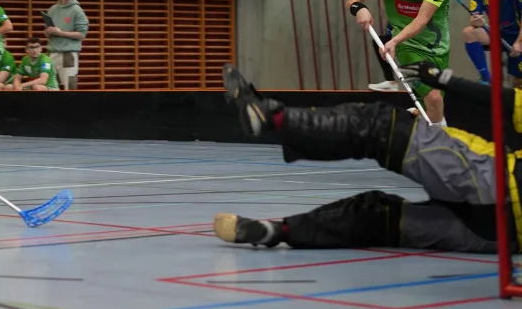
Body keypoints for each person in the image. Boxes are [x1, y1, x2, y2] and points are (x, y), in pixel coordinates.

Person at [213, 63, 521, 254]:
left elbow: (509, 101)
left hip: (496, 183)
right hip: (497, 238)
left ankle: (271, 117)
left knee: (379, 127)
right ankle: (279, 232)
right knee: (380, 218)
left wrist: (447, 80)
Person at [462, 0, 522, 85]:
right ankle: (486, 78)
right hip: (496, 34)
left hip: (517, 34)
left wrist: (519, 42)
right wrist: (475, 21)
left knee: (518, 83)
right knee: (468, 32)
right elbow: (475, 17)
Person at [44, 0, 89, 90]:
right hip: (52, 52)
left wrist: (61, 33)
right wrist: (48, 32)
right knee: (49, 85)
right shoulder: (52, 9)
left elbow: (81, 34)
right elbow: (46, 31)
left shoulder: (77, 10)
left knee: (70, 86)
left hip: (68, 54)